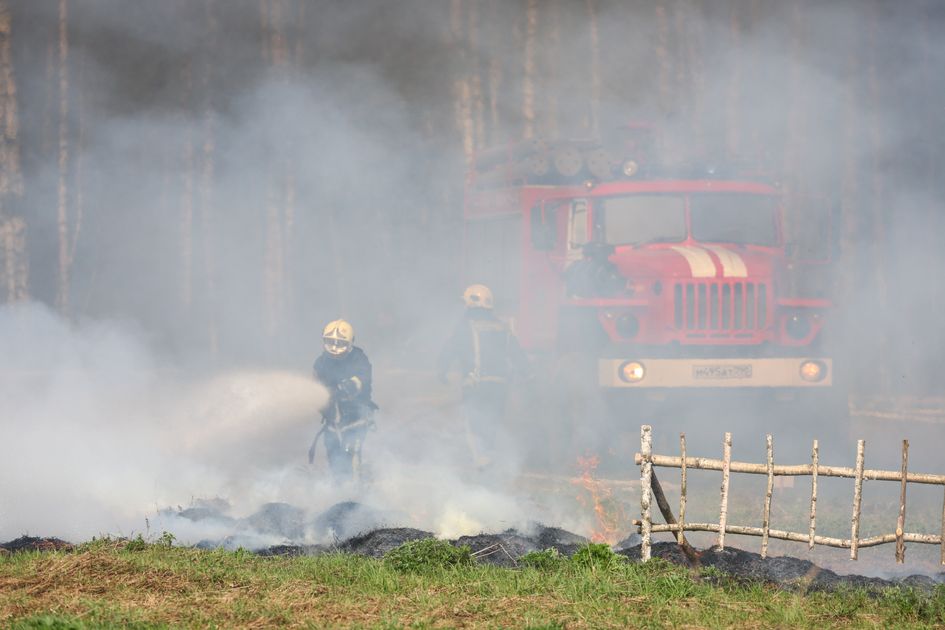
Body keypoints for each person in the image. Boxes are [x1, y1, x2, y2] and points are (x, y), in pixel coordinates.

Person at [437, 284, 529, 469]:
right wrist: (528, 374)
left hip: (476, 385)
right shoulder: (502, 327)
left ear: (469, 304)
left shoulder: (465, 327)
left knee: (473, 425)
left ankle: (481, 463)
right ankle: (488, 460)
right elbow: (517, 354)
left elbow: (450, 349)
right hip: (500, 387)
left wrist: (441, 371)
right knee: (491, 423)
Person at [309, 319, 378, 484]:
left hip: (355, 418)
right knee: (333, 454)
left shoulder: (359, 359)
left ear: (350, 342)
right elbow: (315, 386)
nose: (334, 347)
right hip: (332, 420)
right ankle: (339, 488)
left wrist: (345, 387)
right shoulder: (320, 362)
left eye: (339, 343)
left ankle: (355, 490)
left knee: (351, 451)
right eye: (330, 341)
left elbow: (361, 379)